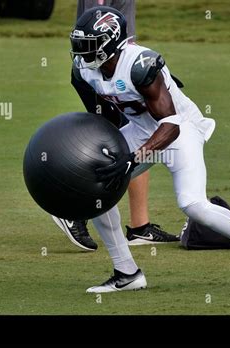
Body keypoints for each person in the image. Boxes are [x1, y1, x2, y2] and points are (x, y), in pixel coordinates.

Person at [70, 6, 230, 292]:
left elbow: (170, 124)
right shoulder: (83, 71)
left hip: (180, 129)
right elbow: (102, 117)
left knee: (193, 204)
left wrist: (133, 158)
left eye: (88, 46)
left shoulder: (141, 64)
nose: (81, 54)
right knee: (96, 185)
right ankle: (127, 273)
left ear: (109, 42)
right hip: (139, 129)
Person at [51, 0, 178, 251]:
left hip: (122, 65)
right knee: (116, 145)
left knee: (137, 140)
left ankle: (140, 227)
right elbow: (93, 17)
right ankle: (75, 207)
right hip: (102, 67)